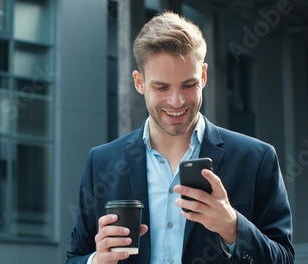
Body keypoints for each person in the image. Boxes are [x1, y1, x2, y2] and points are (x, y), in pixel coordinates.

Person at [67, 12, 294, 264]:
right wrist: (96, 261)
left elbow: (283, 259)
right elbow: (75, 257)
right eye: (162, 87)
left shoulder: (256, 159)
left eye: (188, 85)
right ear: (139, 82)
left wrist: (232, 226)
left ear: (204, 76)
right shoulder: (101, 163)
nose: (177, 101)